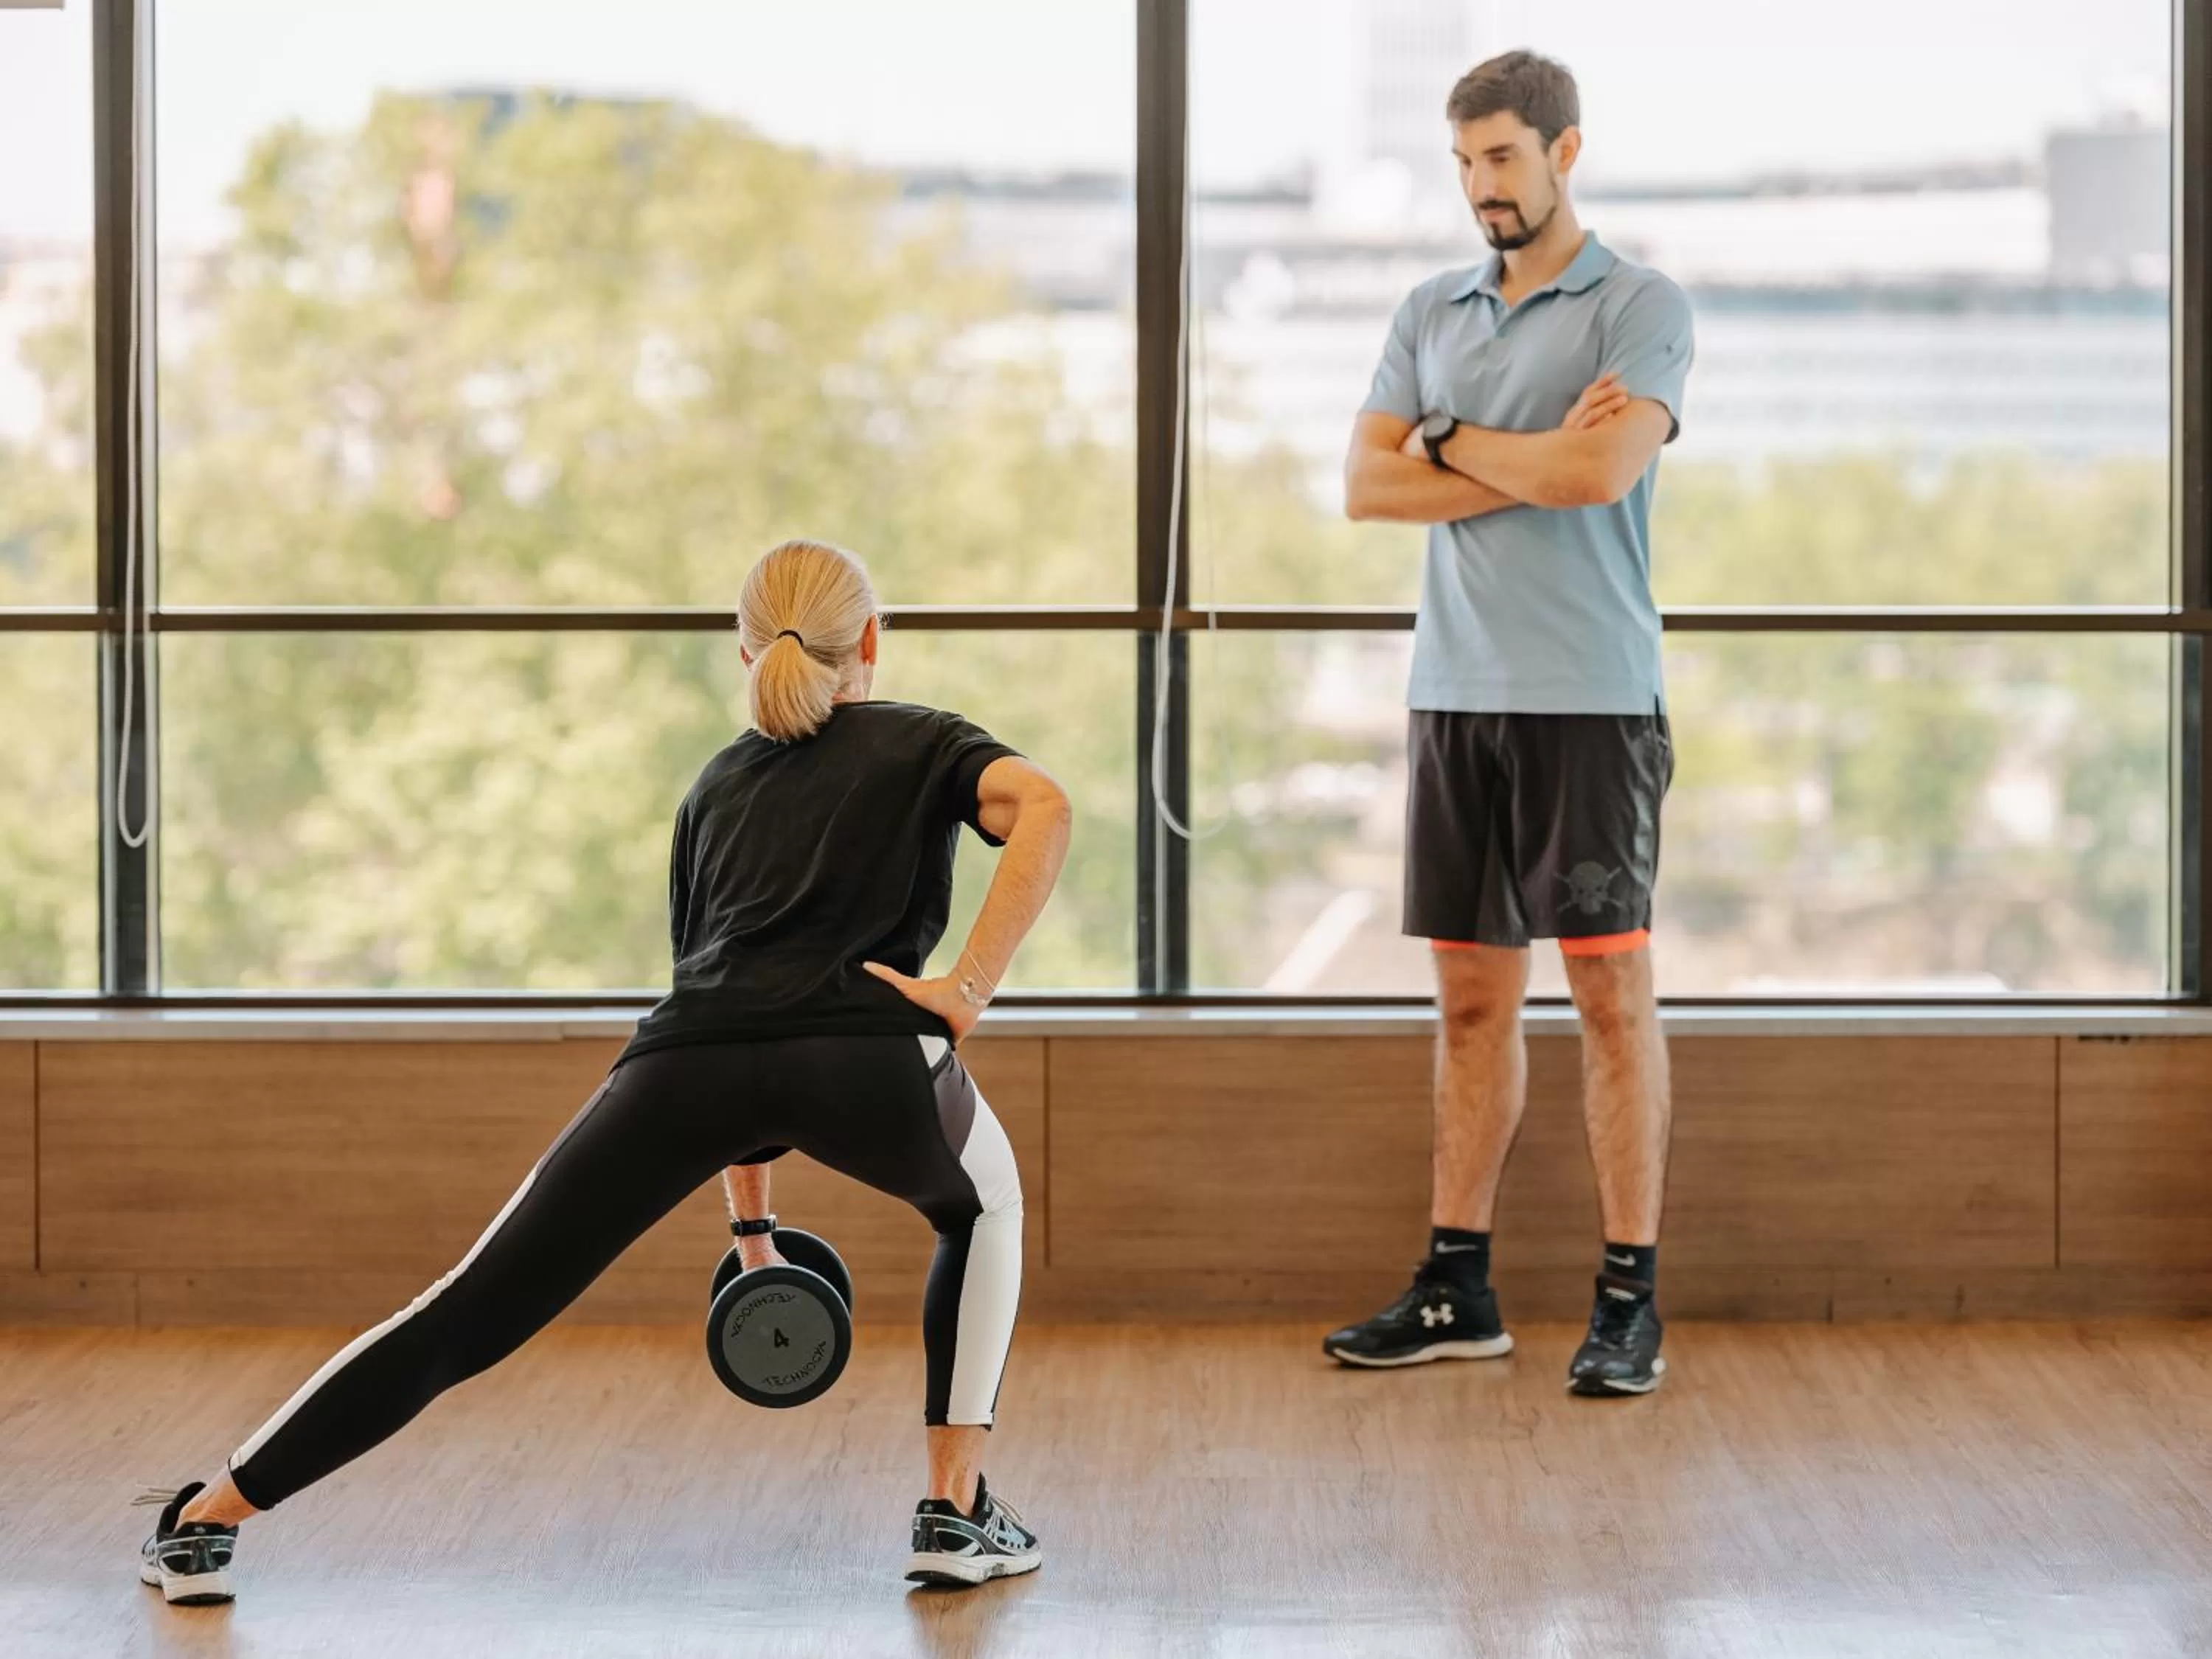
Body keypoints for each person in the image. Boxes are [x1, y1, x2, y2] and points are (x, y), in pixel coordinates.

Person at [136, 538, 1074, 1602]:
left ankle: (205, 1521)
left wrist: (754, 1234)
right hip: (868, 1056)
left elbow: (726, 1000)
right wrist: (967, 988)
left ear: (745, 649)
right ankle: (953, 1515)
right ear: (871, 639)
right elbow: (1046, 806)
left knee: (468, 1311)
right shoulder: (927, 740)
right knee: (982, 1204)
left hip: (687, 1069)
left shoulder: (715, 787)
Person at [1321, 52, 1694, 1396]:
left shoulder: (1639, 306)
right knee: (1472, 1004)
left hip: (1591, 707)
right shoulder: (1431, 307)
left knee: (1609, 996)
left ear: (1564, 152)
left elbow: (1598, 472)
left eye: (1503, 159)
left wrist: (1452, 440)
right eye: (1465, 163)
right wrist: (1506, 452)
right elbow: (1366, 489)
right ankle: (1457, 1286)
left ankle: (1628, 1300)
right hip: (1455, 702)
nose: (1482, 186)